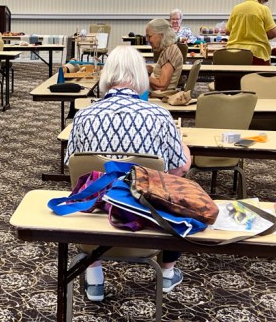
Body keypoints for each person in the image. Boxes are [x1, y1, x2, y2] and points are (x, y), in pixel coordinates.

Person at [65, 45, 192, 302]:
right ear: (141, 77)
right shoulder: (160, 115)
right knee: (180, 182)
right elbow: (180, 168)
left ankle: (94, 276)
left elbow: (73, 167)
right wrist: (184, 150)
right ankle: (167, 272)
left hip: (94, 214)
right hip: (146, 216)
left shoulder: (83, 115)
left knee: (90, 182)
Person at [224, 0, 276, 65]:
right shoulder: (263, 9)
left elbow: (227, 32)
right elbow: (273, 33)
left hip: (234, 52)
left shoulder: (236, 8)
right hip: (256, 53)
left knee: (235, 77)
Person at [145, 18, 185, 92]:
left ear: (161, 35)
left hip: (160, 97)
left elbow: (162, 85)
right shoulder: (168, 49)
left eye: (149, 36)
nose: (147, 39)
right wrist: (152, 70)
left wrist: (142, 75)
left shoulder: (170, 51)